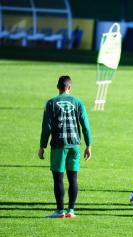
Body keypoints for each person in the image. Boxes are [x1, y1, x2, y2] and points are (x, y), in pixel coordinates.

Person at [38, 75, 92, 218]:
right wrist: (88, 145)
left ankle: (60, 211)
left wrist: (42, 146)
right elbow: (85, 125)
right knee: (73, 177)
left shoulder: (51, 103)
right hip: (74, 145)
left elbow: (47, 127)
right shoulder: (78, 102)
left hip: (58, 145)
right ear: (70, 87)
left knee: (58, 178)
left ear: (58, 87)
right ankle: (71, 211)